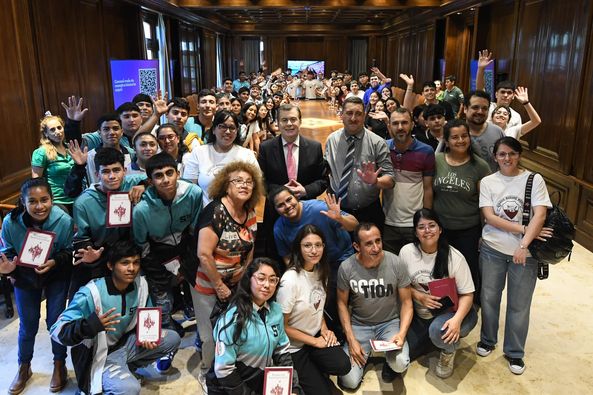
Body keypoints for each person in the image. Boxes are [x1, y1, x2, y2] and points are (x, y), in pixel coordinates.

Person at [50, 241, 181, 395]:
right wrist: (88, 326)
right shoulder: (91, 293)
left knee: (172, 338)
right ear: (110, 266)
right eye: (125, 263)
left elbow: (147, 317)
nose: (132, 268)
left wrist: (146, 335)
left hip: (125, 345)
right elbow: (56, 331)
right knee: (130, 389)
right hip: (97, 356)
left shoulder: (141, 285)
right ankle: (98, 384)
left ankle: (126, 370)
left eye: (136, 262)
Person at [477, 136, 552, 375]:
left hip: (526, 254)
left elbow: (540, 215)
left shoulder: (534, 179)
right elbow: (490, 217)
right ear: (495, 157)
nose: (507, 158)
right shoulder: (488, 182)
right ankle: (488, 340)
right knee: (489, 298)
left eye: (511, 153)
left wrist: (524, 244)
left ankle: (515, 352)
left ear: (519, 155)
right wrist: (523, 230)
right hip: (492, 249)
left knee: (519, 304)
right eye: (502, 154)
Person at [194, 161, 263, 391]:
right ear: (226, 185)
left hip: (235, 283)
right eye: (238, 181)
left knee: (228, 331)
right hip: (207, 284)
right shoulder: (215, 211)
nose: (244, 185)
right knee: (210, 335)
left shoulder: (249, 212)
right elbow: (204, 254)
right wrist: (219, 285)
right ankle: (206, 373)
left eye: (249, 182)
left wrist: (245, 275)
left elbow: (251, 245)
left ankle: (225, 370)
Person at [1, 178, 74, 394]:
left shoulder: (63, 220)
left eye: (44, 200)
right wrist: (10, 268)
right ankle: (24, 367)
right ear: (23, 203)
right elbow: (6, 251)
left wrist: (55, 261)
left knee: (56, 321)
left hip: (56, 274)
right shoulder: (10, 222)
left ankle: (59, 364)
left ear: (52, 200)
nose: (39, 206)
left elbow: (70, 250)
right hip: (25, 276)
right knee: (28, 323)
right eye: (32, 201)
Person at [132, 152, 203, 370]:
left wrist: (185, 267)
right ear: (150, 181)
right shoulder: (142, 209)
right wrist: (163, 273)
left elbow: (196, 232)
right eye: (159, 176)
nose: (166, 180)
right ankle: (166, 345)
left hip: (186, 248)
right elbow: (142, 246)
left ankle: (204, 334)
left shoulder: (193, 193)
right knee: (163, 304)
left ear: (178, 173)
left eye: (170, 173)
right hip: (156, 254)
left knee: (201, 293)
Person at [207, 258, 304, 394]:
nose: (267, 285)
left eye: (272, 280)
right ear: (249, 279)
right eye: (261, 278)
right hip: (230, 387)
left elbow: (281, 350)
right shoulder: (233, 318)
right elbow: (224, 370)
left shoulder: (275, 310)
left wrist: (292, 386)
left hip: (259, 379)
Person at [400, 209, 478, 378]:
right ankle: (433, 338)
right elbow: (401, 286)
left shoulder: (455, 257)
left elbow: (468, 295)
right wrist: (419, 296)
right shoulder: (406, 252)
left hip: (454, 312)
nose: (427, 230)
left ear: (440, 229)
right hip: (421, 315)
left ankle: (447, 353)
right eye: (421, 227)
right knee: (406, 354)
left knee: (438, 332)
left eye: (432, 225)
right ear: (415, 232)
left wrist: (457, 321)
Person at [276, 225, 350, 395]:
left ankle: (314, 371)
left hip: (314, 336)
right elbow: (281, 327)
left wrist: (324, 329)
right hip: (294, 347)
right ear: (298, 248)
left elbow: (317, 307)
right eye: (307, 245)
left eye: (318, 245)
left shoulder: (320, 271)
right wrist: (315, 341)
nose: (314, 250)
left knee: (343, 365)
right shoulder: (290, 280)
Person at [337, 223, 413, 388]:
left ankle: (387, 357)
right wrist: (351, 339)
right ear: (357, 246)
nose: (376, 247)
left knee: (400, 363)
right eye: (369, 243)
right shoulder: (346, 267)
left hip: (389, 323)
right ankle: (367, 352)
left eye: (378, 241)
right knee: (349, 381)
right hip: (360, 325)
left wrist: (401, 333)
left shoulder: (396, 262)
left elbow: (407, 302)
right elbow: (342, 304)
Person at [258, 104, 328, 258]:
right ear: (277, 123)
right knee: (276, 255)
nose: (289, 124)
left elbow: (323, 180)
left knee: (307, 254)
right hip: (276, 212)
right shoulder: (266, 148)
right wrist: (281, 192)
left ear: (300, 121)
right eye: (284, 120)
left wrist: (305, 190)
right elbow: (261, 182)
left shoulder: (314, 147)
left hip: (306, 212)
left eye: (293, 119)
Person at [432, 120, 490, 301]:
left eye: (464, 136)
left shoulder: (480, 166)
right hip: (440, 228)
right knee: (441, 268)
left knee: (467, 270)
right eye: (455, 137)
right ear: (446, 141)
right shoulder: (436, 160)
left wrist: (484, 232)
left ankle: (468, 307)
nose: (461, 140)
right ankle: (444, 304)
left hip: (468, 229)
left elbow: (485, 203)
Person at [324, 96, 395, 230]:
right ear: (341, 115)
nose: (353, 118)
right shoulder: (331, 140)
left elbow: (390, 179)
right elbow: (326, 171)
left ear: (364, 116)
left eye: (358, 114)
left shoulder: (378, 142)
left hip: (369, 212)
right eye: (349, 113)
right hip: (339, 211)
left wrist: (376, 182)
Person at [382, 107, 435, 254]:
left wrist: (425, 221)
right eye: (395, 123)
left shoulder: (426, 151)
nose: (400, 127)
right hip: (389, 222)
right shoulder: (383, 148)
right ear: (389, 126)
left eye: (404, 123)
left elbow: (428, 188)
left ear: (412, 124)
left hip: (414, 223)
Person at [183, 110, 259, 205]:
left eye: (232, 128)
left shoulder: (246, 154)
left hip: (238, 212)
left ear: (236, 131)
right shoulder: (199, 152)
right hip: (206, 213)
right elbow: (189, 188)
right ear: (214, 129)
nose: (227, 131)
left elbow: (256, 184)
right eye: (222, 126)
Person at [31, 114, 75, 212]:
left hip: (76, 197)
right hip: (57, 201)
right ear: (46, 134)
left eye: (59, 128)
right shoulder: (41, 152)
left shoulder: (70, 147)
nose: (57, 132)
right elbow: (36, 181)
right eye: (52, 130)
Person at [86, 113, 136, 184]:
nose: (112, 132)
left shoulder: (132, 153)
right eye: (106, 129)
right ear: (99, 133)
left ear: (121, 132)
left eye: (115, 129)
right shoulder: (90, 156)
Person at [464, 90, 505, 172]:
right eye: (475, 107)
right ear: (465, 109)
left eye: (484, 108)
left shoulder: (498, 132)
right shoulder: (454, 132)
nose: (480, 112)